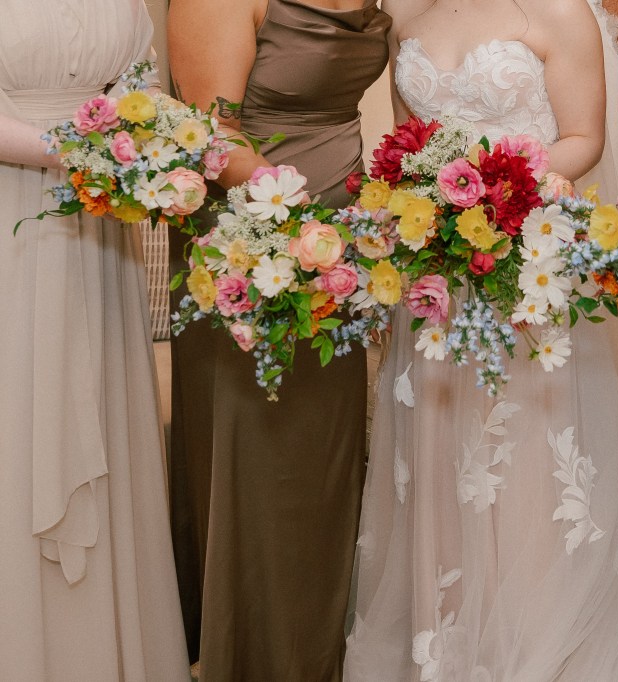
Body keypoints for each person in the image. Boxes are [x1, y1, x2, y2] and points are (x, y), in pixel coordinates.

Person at [344, 0, 618, 679]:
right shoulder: (403, 9)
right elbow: (408, 141)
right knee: (439, 451)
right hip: (437, 272)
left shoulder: (559, 11)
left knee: (523, 452)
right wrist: (424, 203)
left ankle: (532, 645)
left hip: (528, 263)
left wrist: (492, 190)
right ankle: (451, 643)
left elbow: (585, 138)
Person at [165, 0, 390, 678]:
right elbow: (211, 133)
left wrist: (356, 227)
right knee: (259, 459)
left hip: (338, 256)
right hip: (246, 249)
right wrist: (301, 218)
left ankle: (316, 650)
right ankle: (252, 655)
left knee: (323, 460)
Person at [0, 1, 190, 679]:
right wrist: (80, 151)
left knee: (102, 412)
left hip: (100, 221)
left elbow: (141, 83)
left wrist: (149, 137)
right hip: (13, 211)